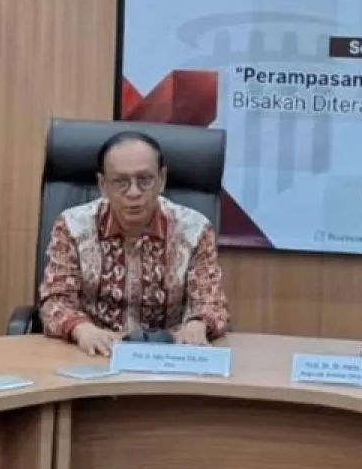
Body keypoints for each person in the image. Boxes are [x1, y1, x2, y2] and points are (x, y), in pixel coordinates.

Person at [38, 131, 230, 356]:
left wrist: (198, 324)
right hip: (97, 351)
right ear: (103, 185)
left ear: (162, 180)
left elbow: (210, 301)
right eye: (121, 182)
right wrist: (82, 329)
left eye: (145, 180)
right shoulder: (72, 226)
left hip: (168, 355)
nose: (134, 192)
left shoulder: (194, 229)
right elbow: (56, 301)